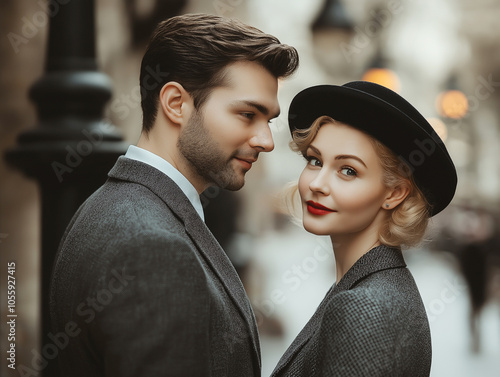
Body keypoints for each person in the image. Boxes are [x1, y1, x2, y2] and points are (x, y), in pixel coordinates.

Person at [50, 13, 299, 376]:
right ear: (176, 104)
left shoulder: (107, 206)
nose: (266, 141)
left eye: (269, 120)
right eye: (248, 114)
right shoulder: (153, 249)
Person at [272, 81, 457, 376]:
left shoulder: (365, 308)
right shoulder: (373, 288)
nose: (317, 184)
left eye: (348, 170)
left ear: (394, 193)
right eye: (315, 160)